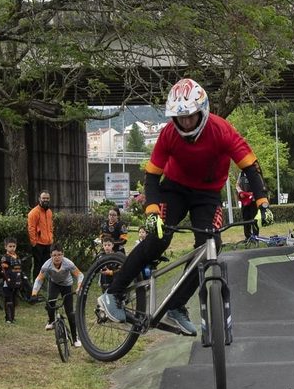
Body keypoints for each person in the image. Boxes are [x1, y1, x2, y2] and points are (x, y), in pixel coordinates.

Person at [99, 78, 269, 335]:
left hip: (208, 194)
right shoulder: (169, 133)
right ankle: (113, 293)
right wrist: (152, 211)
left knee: (211, 245)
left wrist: (262, 203)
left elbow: (250, 167)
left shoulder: (221, 129)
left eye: (191, 116)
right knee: (158, 238)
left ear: (202, 111)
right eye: (181, 118)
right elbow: (152, 176)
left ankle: (176, 306)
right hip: (174, 189)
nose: (186, 122)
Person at [32, 246, 83, 346]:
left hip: (67, 285)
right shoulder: (46, 266)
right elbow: (39, 279)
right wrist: (34, 293)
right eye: (54, 255)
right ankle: (51, 321)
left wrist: (79, 287)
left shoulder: (68, 263)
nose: (57, 257)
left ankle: (75, 338)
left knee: (70, 313)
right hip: (54, 284)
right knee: (50, 301)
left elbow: (79, 275)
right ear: (51, 256)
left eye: (59, 255)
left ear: (63, 255)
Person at [0, 237, 25, 324]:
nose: (12, 248)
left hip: (16, 282)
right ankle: (8, 318)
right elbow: (4, 270)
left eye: (14, 246)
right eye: (10, 246)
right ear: (6, 247)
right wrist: (7, 280)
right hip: (8, 282)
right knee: (8, 300)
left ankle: (13, 317)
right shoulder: (5, 258)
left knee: (14, 300)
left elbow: (20, 270)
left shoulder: (17, 258)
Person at [27, 190, 54, 268]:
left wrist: (51, 239)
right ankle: (37, 277)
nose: (46, 200)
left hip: (48, 243)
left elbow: (50, 227)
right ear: (39, 199)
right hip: (38, 244)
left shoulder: (49, 212)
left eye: (47, 198)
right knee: (38, 266)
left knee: (47, 266)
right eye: (44, 198)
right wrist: (34, 243)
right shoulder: (33, 213)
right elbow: (31, 228)